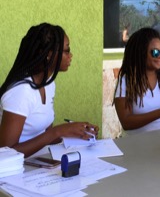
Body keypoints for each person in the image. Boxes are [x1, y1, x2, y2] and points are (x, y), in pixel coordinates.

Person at [0, 23, 99, 158]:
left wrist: (76, 131)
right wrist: (57, 131)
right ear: (47, 54)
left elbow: (45, 137)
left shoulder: (48, 83)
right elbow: (5, 153)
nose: (71, 55)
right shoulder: (21, 92)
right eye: (66, 50)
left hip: (37, 163)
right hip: (13, 172)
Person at [113, 27, 160, 134]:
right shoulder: (127, 81)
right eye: (155, 52)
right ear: (140, 53)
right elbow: (126, 122)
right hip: (137, 145)